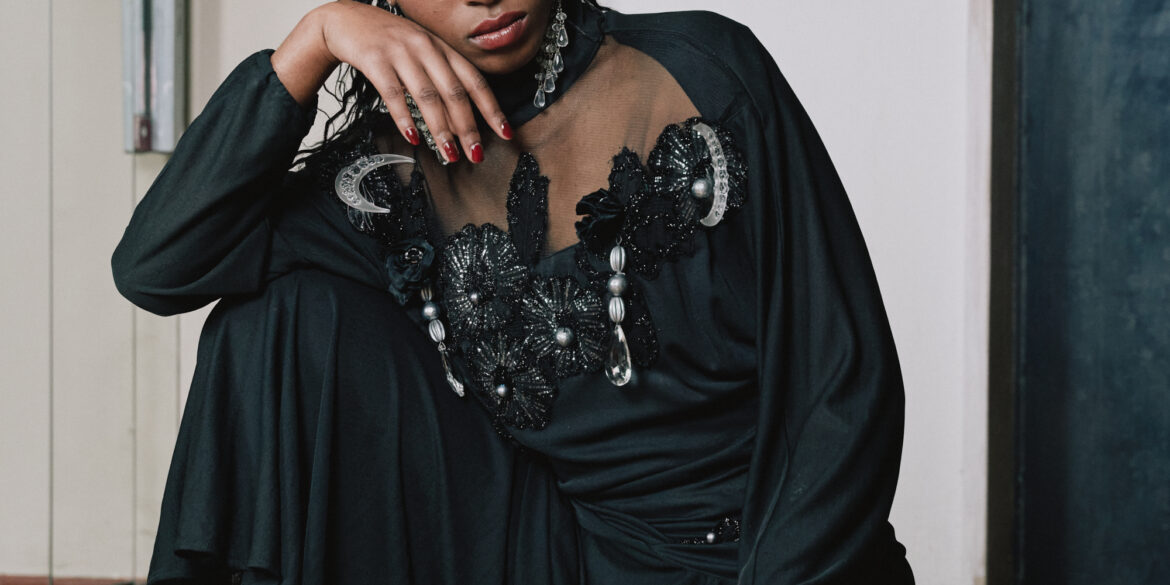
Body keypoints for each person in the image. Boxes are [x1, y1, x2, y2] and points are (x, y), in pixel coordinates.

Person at [112, 0, 915, 583]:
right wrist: (315, 40)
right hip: (560, 551)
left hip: (779, 545)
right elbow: (158, 265)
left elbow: (842, 376)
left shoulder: (699, 70)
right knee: (275, 320)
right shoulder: (386, 175)